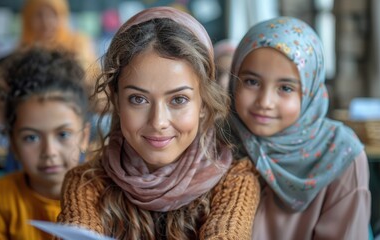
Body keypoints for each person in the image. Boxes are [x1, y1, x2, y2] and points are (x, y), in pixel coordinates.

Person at [56, 7, 260, 240]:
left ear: (203, 105)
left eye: (178, 100)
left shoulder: (234, 181)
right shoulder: (86, 183)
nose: (158, 121)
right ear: (116, 100)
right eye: (138, 99)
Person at [227, 16, 371, 239]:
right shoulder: (218, 141)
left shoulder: (338, 152)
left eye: (285, 88)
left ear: (310, 91)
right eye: (251, 82)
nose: (265, 102)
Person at [0, 48, 91, 240]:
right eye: (31, 138)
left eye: (63, 134)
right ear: (13, 144)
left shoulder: (106, 197)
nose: (49, 152)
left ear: (84, 137)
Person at [0, 0, 99, 126]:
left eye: (54, 14)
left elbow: (103, 101)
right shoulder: (13, 61)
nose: (46, 23)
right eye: (38, 15)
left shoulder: (79, 52)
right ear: (27, 20)